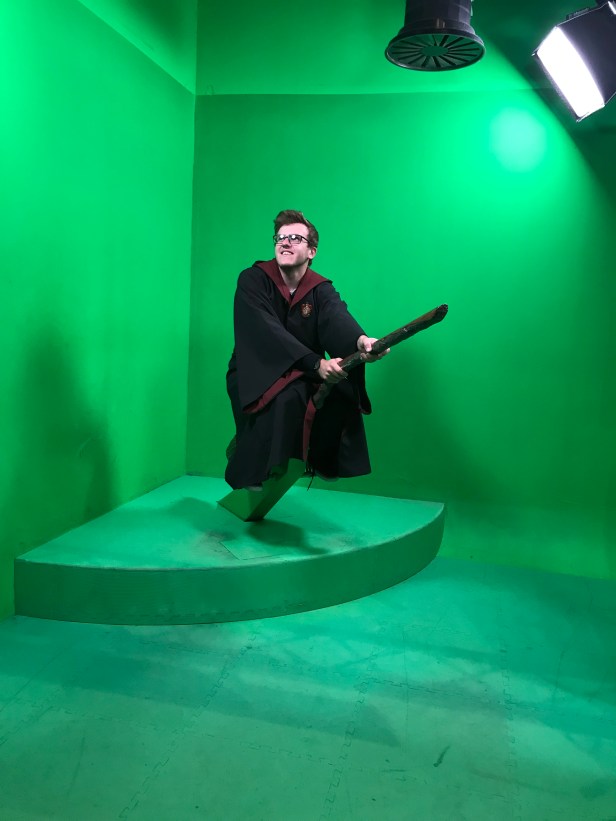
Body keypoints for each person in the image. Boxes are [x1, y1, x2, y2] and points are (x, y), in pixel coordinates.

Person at [225, 209, 387, 491]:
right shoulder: (253, 279)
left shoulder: (320, 289)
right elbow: (268, 334)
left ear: (312, 251)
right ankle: (252, 470)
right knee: (288, 396)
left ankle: (323, 461)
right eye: (281, 238)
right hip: (256, 370)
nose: (285, 242)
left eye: (295, 238)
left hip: (304, 369)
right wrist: (316, 364)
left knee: (341, 389)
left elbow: (338, 318)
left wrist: (361, 341)